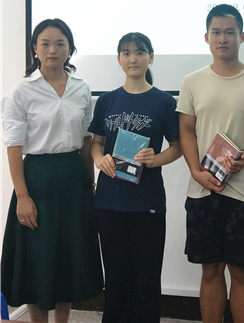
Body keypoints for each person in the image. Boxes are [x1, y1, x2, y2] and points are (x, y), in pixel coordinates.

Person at [177, 4, 244, 323]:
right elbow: (185, 129)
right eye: (216, 32)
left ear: (242, 36)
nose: (222, 38)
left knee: (241, 270)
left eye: (229, 32)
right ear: (206, 37)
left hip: (243, 192)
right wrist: (195, 171)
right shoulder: (192, 81)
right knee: (210, 270)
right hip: (202, 190)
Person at [1, 18, 103, 323]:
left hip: (73, 178)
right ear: (35, 48)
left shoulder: (81, 88)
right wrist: (22, 196)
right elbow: (13, 146)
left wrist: (90, 185)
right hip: (37, 179)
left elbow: (86, 141)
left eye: (60, 43)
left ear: (70, 49)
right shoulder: (21, 91)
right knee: (39, 260)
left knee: (67, 260)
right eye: (45, 43)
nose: (52, 50)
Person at [89, 32, 181, 323]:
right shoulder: (106, 100)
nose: (133, 58)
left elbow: (178, 147)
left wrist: (156, 159)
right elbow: (95, 143)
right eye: (126, 53)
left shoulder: (164, 102)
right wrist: (99, 158)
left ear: (150, 57)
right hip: (109, 202)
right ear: (118, 59)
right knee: (116, 279)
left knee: (147, 279)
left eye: (140, 52)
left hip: (147, 203)